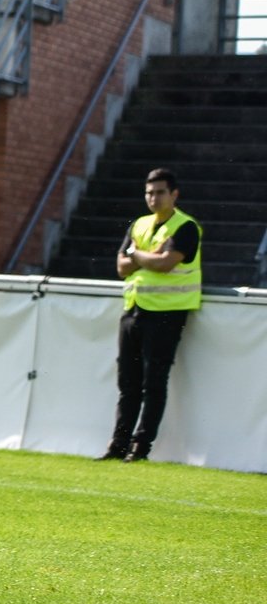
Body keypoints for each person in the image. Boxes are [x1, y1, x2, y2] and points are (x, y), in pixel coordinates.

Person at [104, 169, 201, 462]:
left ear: (174, 194)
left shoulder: (185, 226)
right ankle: (118, 445)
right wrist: (145, 255)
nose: (153, 198)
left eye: (159, 192)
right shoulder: (140, 224)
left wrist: (136, 254)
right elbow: (121, 268)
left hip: (166, 314)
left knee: (153, 383)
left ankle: (140, 447)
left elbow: (164, 265)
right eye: (149, 192)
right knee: (127, 383)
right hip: (133, 309)